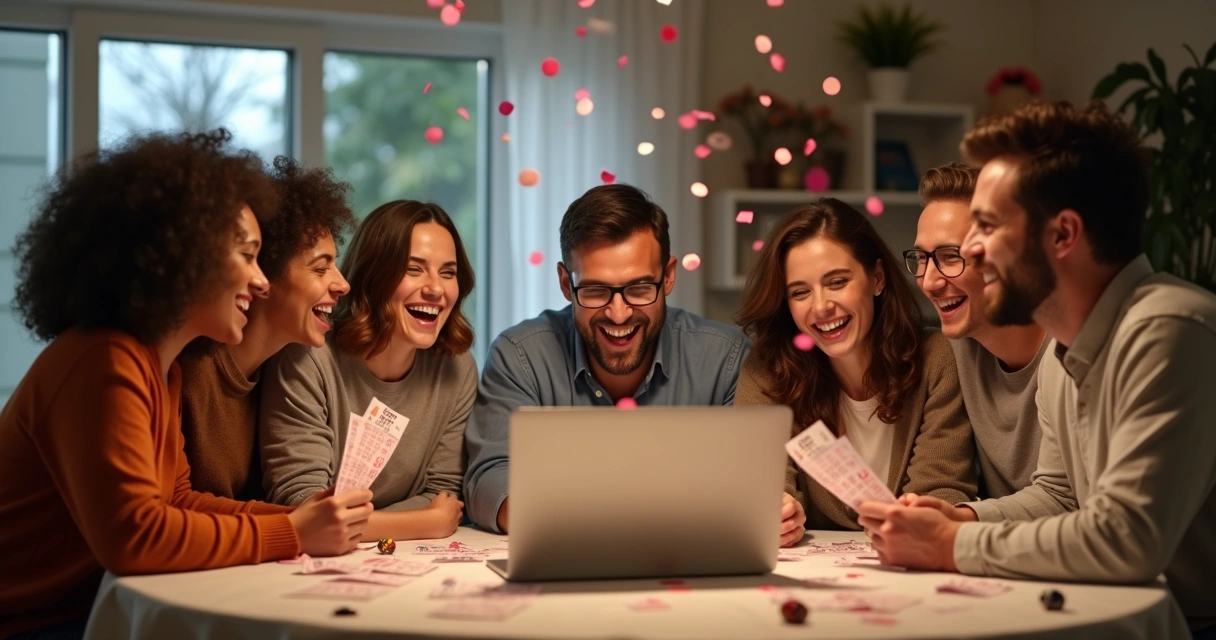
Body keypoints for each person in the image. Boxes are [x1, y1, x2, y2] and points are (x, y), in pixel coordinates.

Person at [857, 101, 1216, 637]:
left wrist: (950, 544)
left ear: (1063, 234)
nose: (973, 252)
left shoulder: (1169, 328)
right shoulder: (1074, 342)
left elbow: (1128, 540)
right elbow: (1062, 497)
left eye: (988, 226)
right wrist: (963, 518)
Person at [0, 130, 372, 639]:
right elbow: (134, 539)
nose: (260, 281)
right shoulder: (104, 359)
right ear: (180, 254)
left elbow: (178, 501)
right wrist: (291, 532)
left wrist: (299, 518)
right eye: (246, 255)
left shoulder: (161, 369)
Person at [462, 184, 791, 539]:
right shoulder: (520, 355)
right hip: (569, 557)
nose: (618, 314)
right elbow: (488, 480)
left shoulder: (725, 358)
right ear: (564, 282)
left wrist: (775, 511)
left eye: (639, 289)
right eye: (595, 291)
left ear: (668, 277)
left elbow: (749, 483)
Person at [735, 198, 977, 533]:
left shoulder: (938, 358)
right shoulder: (768, 369)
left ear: (877, 278)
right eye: (800, 292)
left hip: (918, 566)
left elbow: (941, 491)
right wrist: (777, 511)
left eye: (837, 282)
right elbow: (762, 486)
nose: (821, 307)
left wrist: (918, 518)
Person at [259, 200, 476, 542]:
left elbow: (443, 496)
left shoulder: (457, 370)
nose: (436, 289)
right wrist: (424, 523)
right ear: (372, 276)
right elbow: (302, 506)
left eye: (448, 273)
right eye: (413, 269)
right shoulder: (308, 357)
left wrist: (374, 526)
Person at [179, 156, 355, 500]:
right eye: (321, 269)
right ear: (264, 274)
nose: (343, 285)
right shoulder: (185, 372)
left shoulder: (286, 374)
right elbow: (165, 514)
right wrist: (298, 524)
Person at [907, 162, 1049, 499]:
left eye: (950, 256)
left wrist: (962, 521)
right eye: (921, 258)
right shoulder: (953, 348)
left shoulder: (1071, 354)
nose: (929, 282)